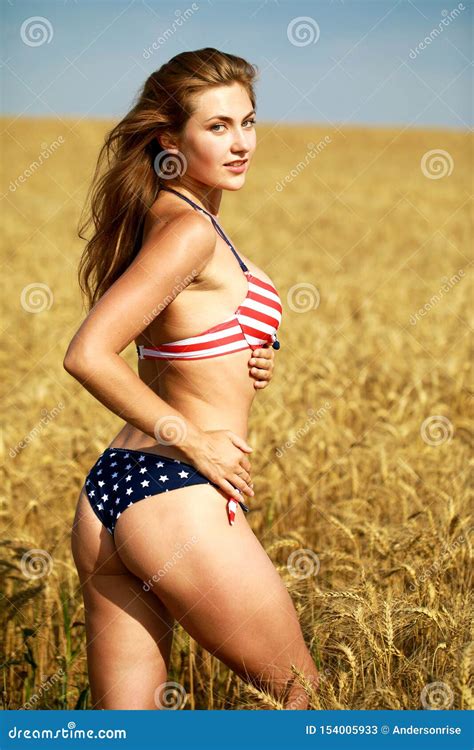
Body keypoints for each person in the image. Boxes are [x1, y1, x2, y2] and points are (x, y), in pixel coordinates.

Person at [64, 47, 319, 710]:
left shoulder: (181, 220)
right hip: (177, 492)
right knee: (301, 701)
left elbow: (176, 337)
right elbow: (88, 353)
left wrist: (251, 352)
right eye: (218, 127)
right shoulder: (189, 233)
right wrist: (197, 442)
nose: (241, 144)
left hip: (116, 490)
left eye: (248, 122)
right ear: (168, 142)